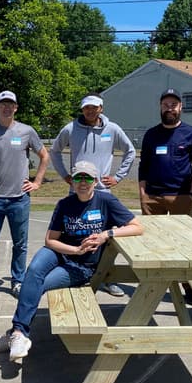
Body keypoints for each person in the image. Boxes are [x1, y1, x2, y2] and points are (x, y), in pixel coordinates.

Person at [0, 161, 142, 360]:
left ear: (95, 181)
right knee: (33, 272)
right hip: (60, 252)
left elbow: (136, 227)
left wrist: (106, 234)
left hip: (82, 266)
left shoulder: (106, 201)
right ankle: (19, 334)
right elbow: (50, 240)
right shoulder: (65, 204)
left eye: (88, 178)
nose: (83, 182)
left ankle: (15, 334)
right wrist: (76, 249)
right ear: (72, 182)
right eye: (78, 177)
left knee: (39, 284)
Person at [50, 92, 136, 297]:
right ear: (82, 109)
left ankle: (105, 278)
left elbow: (130, 151)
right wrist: (64, 175)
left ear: (101, 108)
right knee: (76, 232)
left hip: (102, 191)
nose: (90, 110)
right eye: (86, 107)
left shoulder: (112, 129)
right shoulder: (71, 129)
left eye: (94, 107)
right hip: (78, 188)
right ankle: (75, 272)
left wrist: (117, 177)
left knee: (105, 239)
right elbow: (55, 151)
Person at [0, 90, 49, 302]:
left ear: (16, 107)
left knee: (20, 244)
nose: (6, 107)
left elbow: (44, 156)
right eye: (2, 104)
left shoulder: (26, 131)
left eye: (10, 104)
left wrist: (37, 182)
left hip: (19, 199)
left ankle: (18, 280)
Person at [138, 87, 192, 304]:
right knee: (154, 244)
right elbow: (143, 166)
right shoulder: (151, 134)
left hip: (181, 197)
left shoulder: (191, 133)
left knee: (184, 245)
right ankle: (152, 288)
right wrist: (142, 194)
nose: (170, 108)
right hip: (153, 197)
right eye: (166, 104)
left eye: (173, 105)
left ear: (180, 107)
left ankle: (190, 288)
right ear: (160, 107)